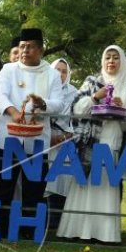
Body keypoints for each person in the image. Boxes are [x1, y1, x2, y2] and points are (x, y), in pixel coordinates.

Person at [58, 45, 126, 243]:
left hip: (113, 143)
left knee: (105, 186)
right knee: (84, 186)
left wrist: (123, 109)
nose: (111, 61)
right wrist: (96, 96)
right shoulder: (91, 82)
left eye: (115, 58)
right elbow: (76, 110)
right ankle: (76, 232)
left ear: (122, 61)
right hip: (89, 142)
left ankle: (103, 235)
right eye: (108, 58)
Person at [0, 27, 64, 239]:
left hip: (37, 140)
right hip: (9, 139)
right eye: (22, 46)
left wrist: (43, 104)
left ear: (40, 50)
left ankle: (31, 231)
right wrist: (13, 112)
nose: (25, 51)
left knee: (35, 187)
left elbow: (59, 104)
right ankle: (0, 228)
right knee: (4, 185)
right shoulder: (8, 70)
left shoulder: (51, 74)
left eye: (30, 47)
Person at [44, 58, 78, 230]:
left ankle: (56, 221)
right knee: (41, 177)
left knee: (61, 180)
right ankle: (40, 219)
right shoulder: (44, 88)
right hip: (43, 141)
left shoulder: (75, 93)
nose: (60, 74)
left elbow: (79, 119)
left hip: (65, 144)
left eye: (64, 71)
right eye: (57, 69)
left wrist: (67, 135)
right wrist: (48, 136)